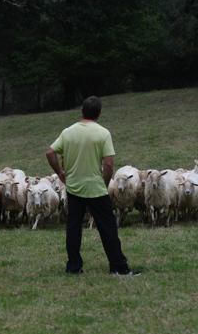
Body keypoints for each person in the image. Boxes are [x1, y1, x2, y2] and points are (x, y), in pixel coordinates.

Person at [46, 96, 139, 276]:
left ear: (82, 111)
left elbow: (50, 152)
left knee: (73, 228)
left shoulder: (68, 132)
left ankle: (73, 267)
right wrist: (104, 183)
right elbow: (109, 164)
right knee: (108, 228)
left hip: (73, 188)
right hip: (96, 188)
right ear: (99, 114)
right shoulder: (103, 133)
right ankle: (118, 267)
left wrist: (60, 173)